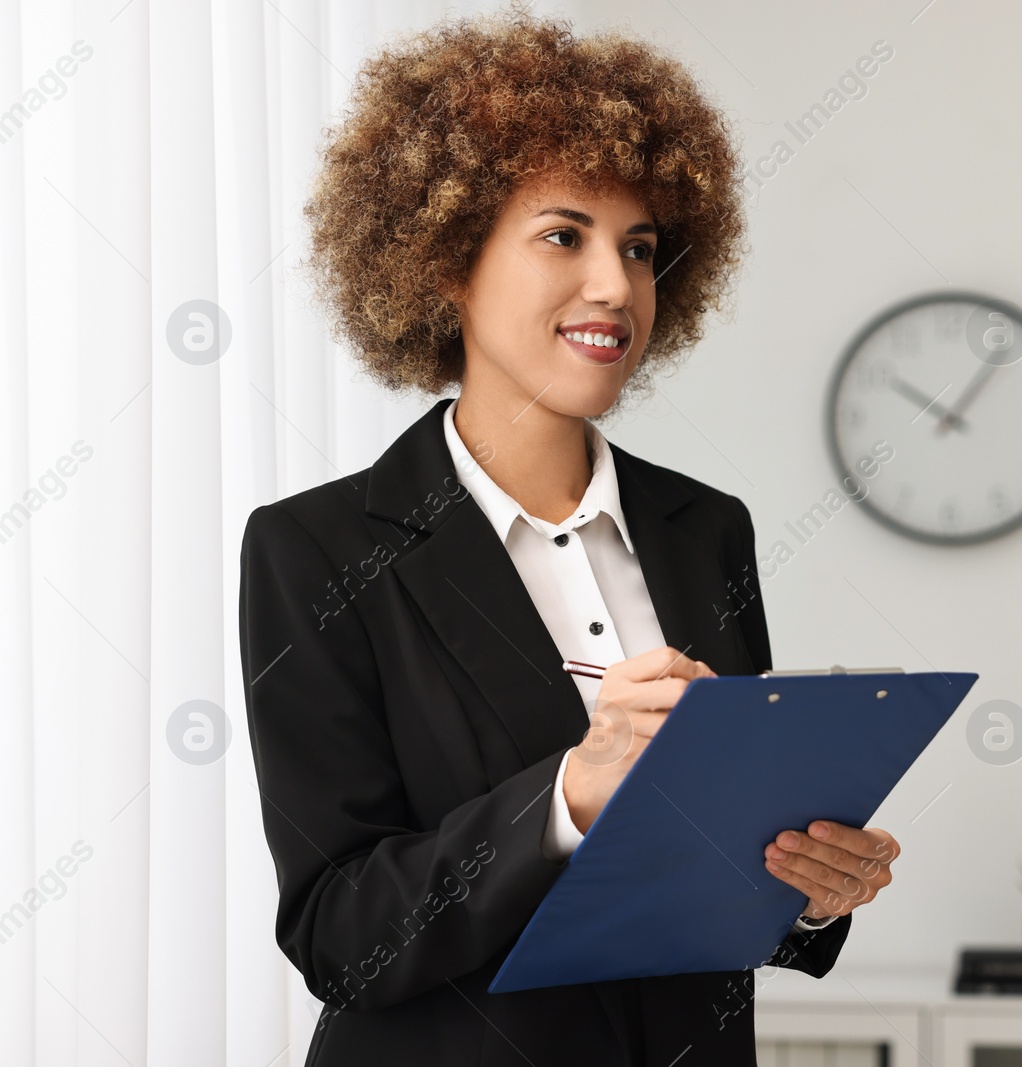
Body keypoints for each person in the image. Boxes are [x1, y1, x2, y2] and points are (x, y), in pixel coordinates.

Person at [237, 8, 900, 1065]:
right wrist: (568, 793)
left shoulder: (704, 530)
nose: (614, 284)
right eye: (564, 235)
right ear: (446, 259)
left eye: (638, 248)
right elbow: (340, 933)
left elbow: (722, 869)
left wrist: (812, 892)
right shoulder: (313, 549)